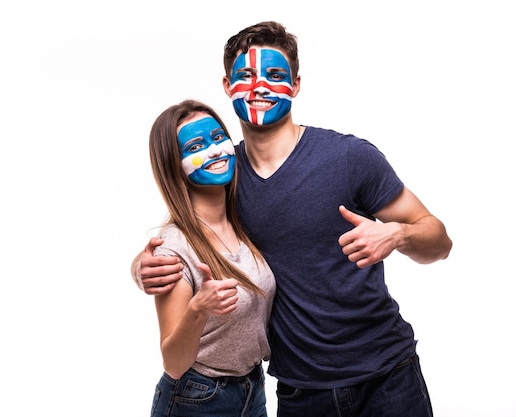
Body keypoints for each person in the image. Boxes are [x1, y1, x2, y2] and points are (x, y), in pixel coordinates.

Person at [132, 22, 453, 417]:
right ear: (227, 85)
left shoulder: (349, 158)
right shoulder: (223, 174)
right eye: (245, 76)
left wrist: (398, 235)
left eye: (276, 75)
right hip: (303, 391)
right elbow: (189, 229)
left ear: (296, 84)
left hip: (388, 375)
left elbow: (439, 240)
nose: (260, 87)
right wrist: (143, 266)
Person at [143, 99, 276, 417]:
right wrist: (198, 309)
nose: (216, 150)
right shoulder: (173, 249)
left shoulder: (244, 220)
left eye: (219, 139)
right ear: (174, 165)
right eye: (197, 145)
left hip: (252, 389)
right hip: (197, 399)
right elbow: (173, 362)